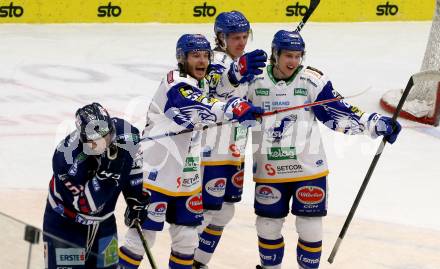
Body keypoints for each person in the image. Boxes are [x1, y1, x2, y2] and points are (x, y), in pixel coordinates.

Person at [246, 30, 402, 269]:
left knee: (309, 225)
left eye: (298, 56)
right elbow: (228, 105)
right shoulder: (254, 81)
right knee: (267, 224)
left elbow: (337, 112)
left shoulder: (311, 80)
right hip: (270, 169)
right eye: (288, 55)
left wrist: (374, 122)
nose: (294, 62)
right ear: (274, 55)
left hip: (308, 168)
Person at [118, 34, 264, 269]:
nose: (202, 61)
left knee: (187, 241)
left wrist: (237, 72)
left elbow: (221, 85)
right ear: (181, 58)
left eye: (206, 55)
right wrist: (233, 107)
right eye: (195, 55)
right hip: (157, 172)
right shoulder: (175, 82)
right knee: (141, 238)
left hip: (188, 176)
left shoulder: (203, 80)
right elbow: (196, 106)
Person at [194, 11, 266, 269]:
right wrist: (237, 72)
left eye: (245, 37)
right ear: (221, 37)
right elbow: (216, 88)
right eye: (236, 37)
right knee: (205, 212)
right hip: (210, 150)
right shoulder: (212, 60)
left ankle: (198, 263)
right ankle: (183, 261)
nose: (242, 43)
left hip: (234, 150)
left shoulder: (243, 61)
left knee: (224, 212)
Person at [43, 102, 149, 269]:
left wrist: (134, 198)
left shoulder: (126, 134)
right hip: (66, 226)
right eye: (96, 141)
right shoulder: (66, 160)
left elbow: (133, 167)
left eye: (107, 137)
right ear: (83, 138)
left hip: (104, 224)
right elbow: (87, 206)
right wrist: (109, 171)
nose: (104, 144)